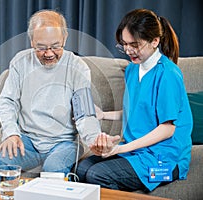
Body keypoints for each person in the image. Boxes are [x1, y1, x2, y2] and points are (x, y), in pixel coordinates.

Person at [77, 8, 193, 192]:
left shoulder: (168, 74)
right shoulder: (132, 69)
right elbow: (139, 111)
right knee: (82, 168)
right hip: (136, 151)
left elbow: (168, 128)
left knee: (96, 174)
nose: (128, 50)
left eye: (135, 44)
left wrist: (119, 149)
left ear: (155, 41)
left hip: (165, 159)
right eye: (124, 44)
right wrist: (103, 115)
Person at [0, 10, 103, 175]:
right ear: (32, 42)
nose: (49, 53)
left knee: (53, 170)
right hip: (28, 140)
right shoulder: (20, 62)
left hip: (63, 143)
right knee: (2, 160)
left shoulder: (78, 67)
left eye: (56, 46)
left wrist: (95, 139)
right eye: (41, 48)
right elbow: (8, 101)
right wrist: (11, 133)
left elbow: (84, 112)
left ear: (65, 38)